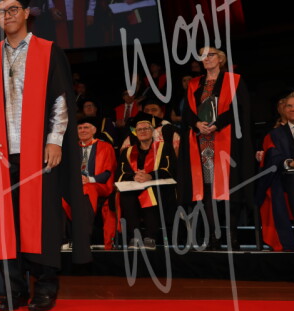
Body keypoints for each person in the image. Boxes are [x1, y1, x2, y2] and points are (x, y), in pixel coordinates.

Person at [0, 0, 90, 311]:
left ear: (26, 13)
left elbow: (61, 101)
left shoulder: (47, 51)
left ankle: (45, 286)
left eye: (13, 9)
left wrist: (55, 140)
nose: (7, 16)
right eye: (1, 12)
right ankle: (15, 288)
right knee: (6, 221)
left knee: (43, 220)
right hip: (0, 153)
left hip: (38, 152)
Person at [177, 47, 255, 250]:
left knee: (230, 188)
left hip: (227, 141)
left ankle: (232, 236)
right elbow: (187, 113)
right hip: (202, 144)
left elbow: (240, 109)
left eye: (210, 54)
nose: (206, 58)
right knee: (208, 189)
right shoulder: (194, 83)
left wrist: (217, 124)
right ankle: (213, 236)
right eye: (202, 56)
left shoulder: (234, 80)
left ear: (220, 59)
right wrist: (197, 124)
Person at [257, 92, 294, 251]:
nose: (292, 109)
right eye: (289, 106)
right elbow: (272, 156)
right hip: (289, 178)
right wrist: (291, 162)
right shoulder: (275, 134)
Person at [116, 114, 176, 250]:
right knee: (127, 196)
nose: (142, 131)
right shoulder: (128, 152)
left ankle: (150, 236)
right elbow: (121, 172)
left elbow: (169, 168)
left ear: (153, 131)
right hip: (134, 186)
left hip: (159, 188)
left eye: (146, 129)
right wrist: (134, 177)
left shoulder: (164, 147)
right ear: (136, 133)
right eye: (139, 129)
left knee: (149, 193)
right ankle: (135, 236)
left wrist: (150, 176)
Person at [75, 117, 117, 249]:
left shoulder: (105, 147)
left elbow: (108, 172)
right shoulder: (72, 148)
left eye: (86, 127)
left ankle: (84, 235)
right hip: (76, 186)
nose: (83, 130)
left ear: (94, 130)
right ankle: (65, 239)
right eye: (80, 128)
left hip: (100, 185)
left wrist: (89, 179)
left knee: (88, 188)